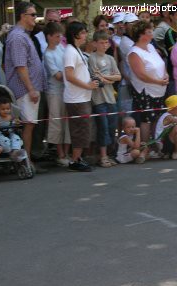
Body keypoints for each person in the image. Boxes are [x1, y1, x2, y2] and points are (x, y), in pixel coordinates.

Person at [4, 2, 46, 173]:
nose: (35, 18)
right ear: (23, 16)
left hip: (29, 89)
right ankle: (25, 161)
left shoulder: (23, 35)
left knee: (30, 125)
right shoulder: (17, 37)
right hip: (24, 90)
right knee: (27, 125)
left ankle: (25, 159)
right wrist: (31, 89)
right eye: (33, 14)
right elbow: (20, 66)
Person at [63, 21, 98, 172]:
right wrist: (87, 85)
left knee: (83, 130)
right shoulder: (70, 51)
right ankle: (75, 160)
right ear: (75, 34)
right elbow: (69, 75)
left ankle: (78, 158)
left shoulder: (75, 50)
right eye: (83, 32)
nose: (85, 35)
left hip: (81, 97)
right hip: (76, 98)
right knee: (80, 130)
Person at [128, 21, 168, 145]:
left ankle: (155, 144)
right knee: (146, 120)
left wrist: (166, 75)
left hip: (159, 89)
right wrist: (158, 81)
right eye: (149, 32)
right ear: (141, 35)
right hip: (145, 91)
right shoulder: (134, 52)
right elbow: (141, 75)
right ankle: (145, 147)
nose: (152, 34)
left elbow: (160, 63)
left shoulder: (151, 47)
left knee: (157, 118)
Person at [88, 31, 121, 168]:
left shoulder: (110, 59)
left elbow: (118, 76)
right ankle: (103, 156)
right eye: (101, 42)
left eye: (106, 42)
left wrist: (105, 77)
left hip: (110, 98)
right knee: (103, 126)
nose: (104, 45)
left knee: (112, 126)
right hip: (99, 98)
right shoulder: (92, 58)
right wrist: (108, 78)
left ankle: (109, 153)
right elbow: (96, 77)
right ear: (95, 43)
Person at [43, 21, 70, 167]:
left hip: (66, 90)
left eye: (60, 36)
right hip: (54, 91)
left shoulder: (61, 47)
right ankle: (60, 154)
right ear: (49, 36)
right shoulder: (48, 54)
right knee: (57, 122)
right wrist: (71, 76)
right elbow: (58, 75)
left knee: (66, 121)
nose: (59, 39)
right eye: (56, 36)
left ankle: (66, 152)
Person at [154, 95, 177, 160]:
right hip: (162, 145)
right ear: (172, 108)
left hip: (167, 142)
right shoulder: (169, 117)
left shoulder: (173, 116)